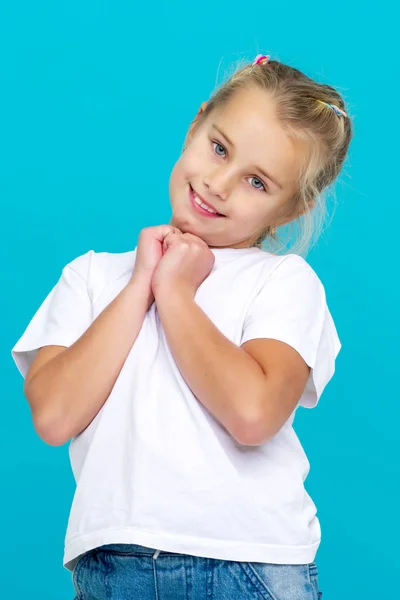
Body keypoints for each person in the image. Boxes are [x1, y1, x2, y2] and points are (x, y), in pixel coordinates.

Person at [11, 53, 352, 600]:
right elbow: (53, 415)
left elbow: (252, 413)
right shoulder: (93, 276)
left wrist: (175, 293)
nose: (218, 184)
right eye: (219, 148)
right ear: (196, 124)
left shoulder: (285, 282)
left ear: (290, 209)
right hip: (112, 568)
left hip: (250, 566)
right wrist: (142, 281)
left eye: (257, 182)